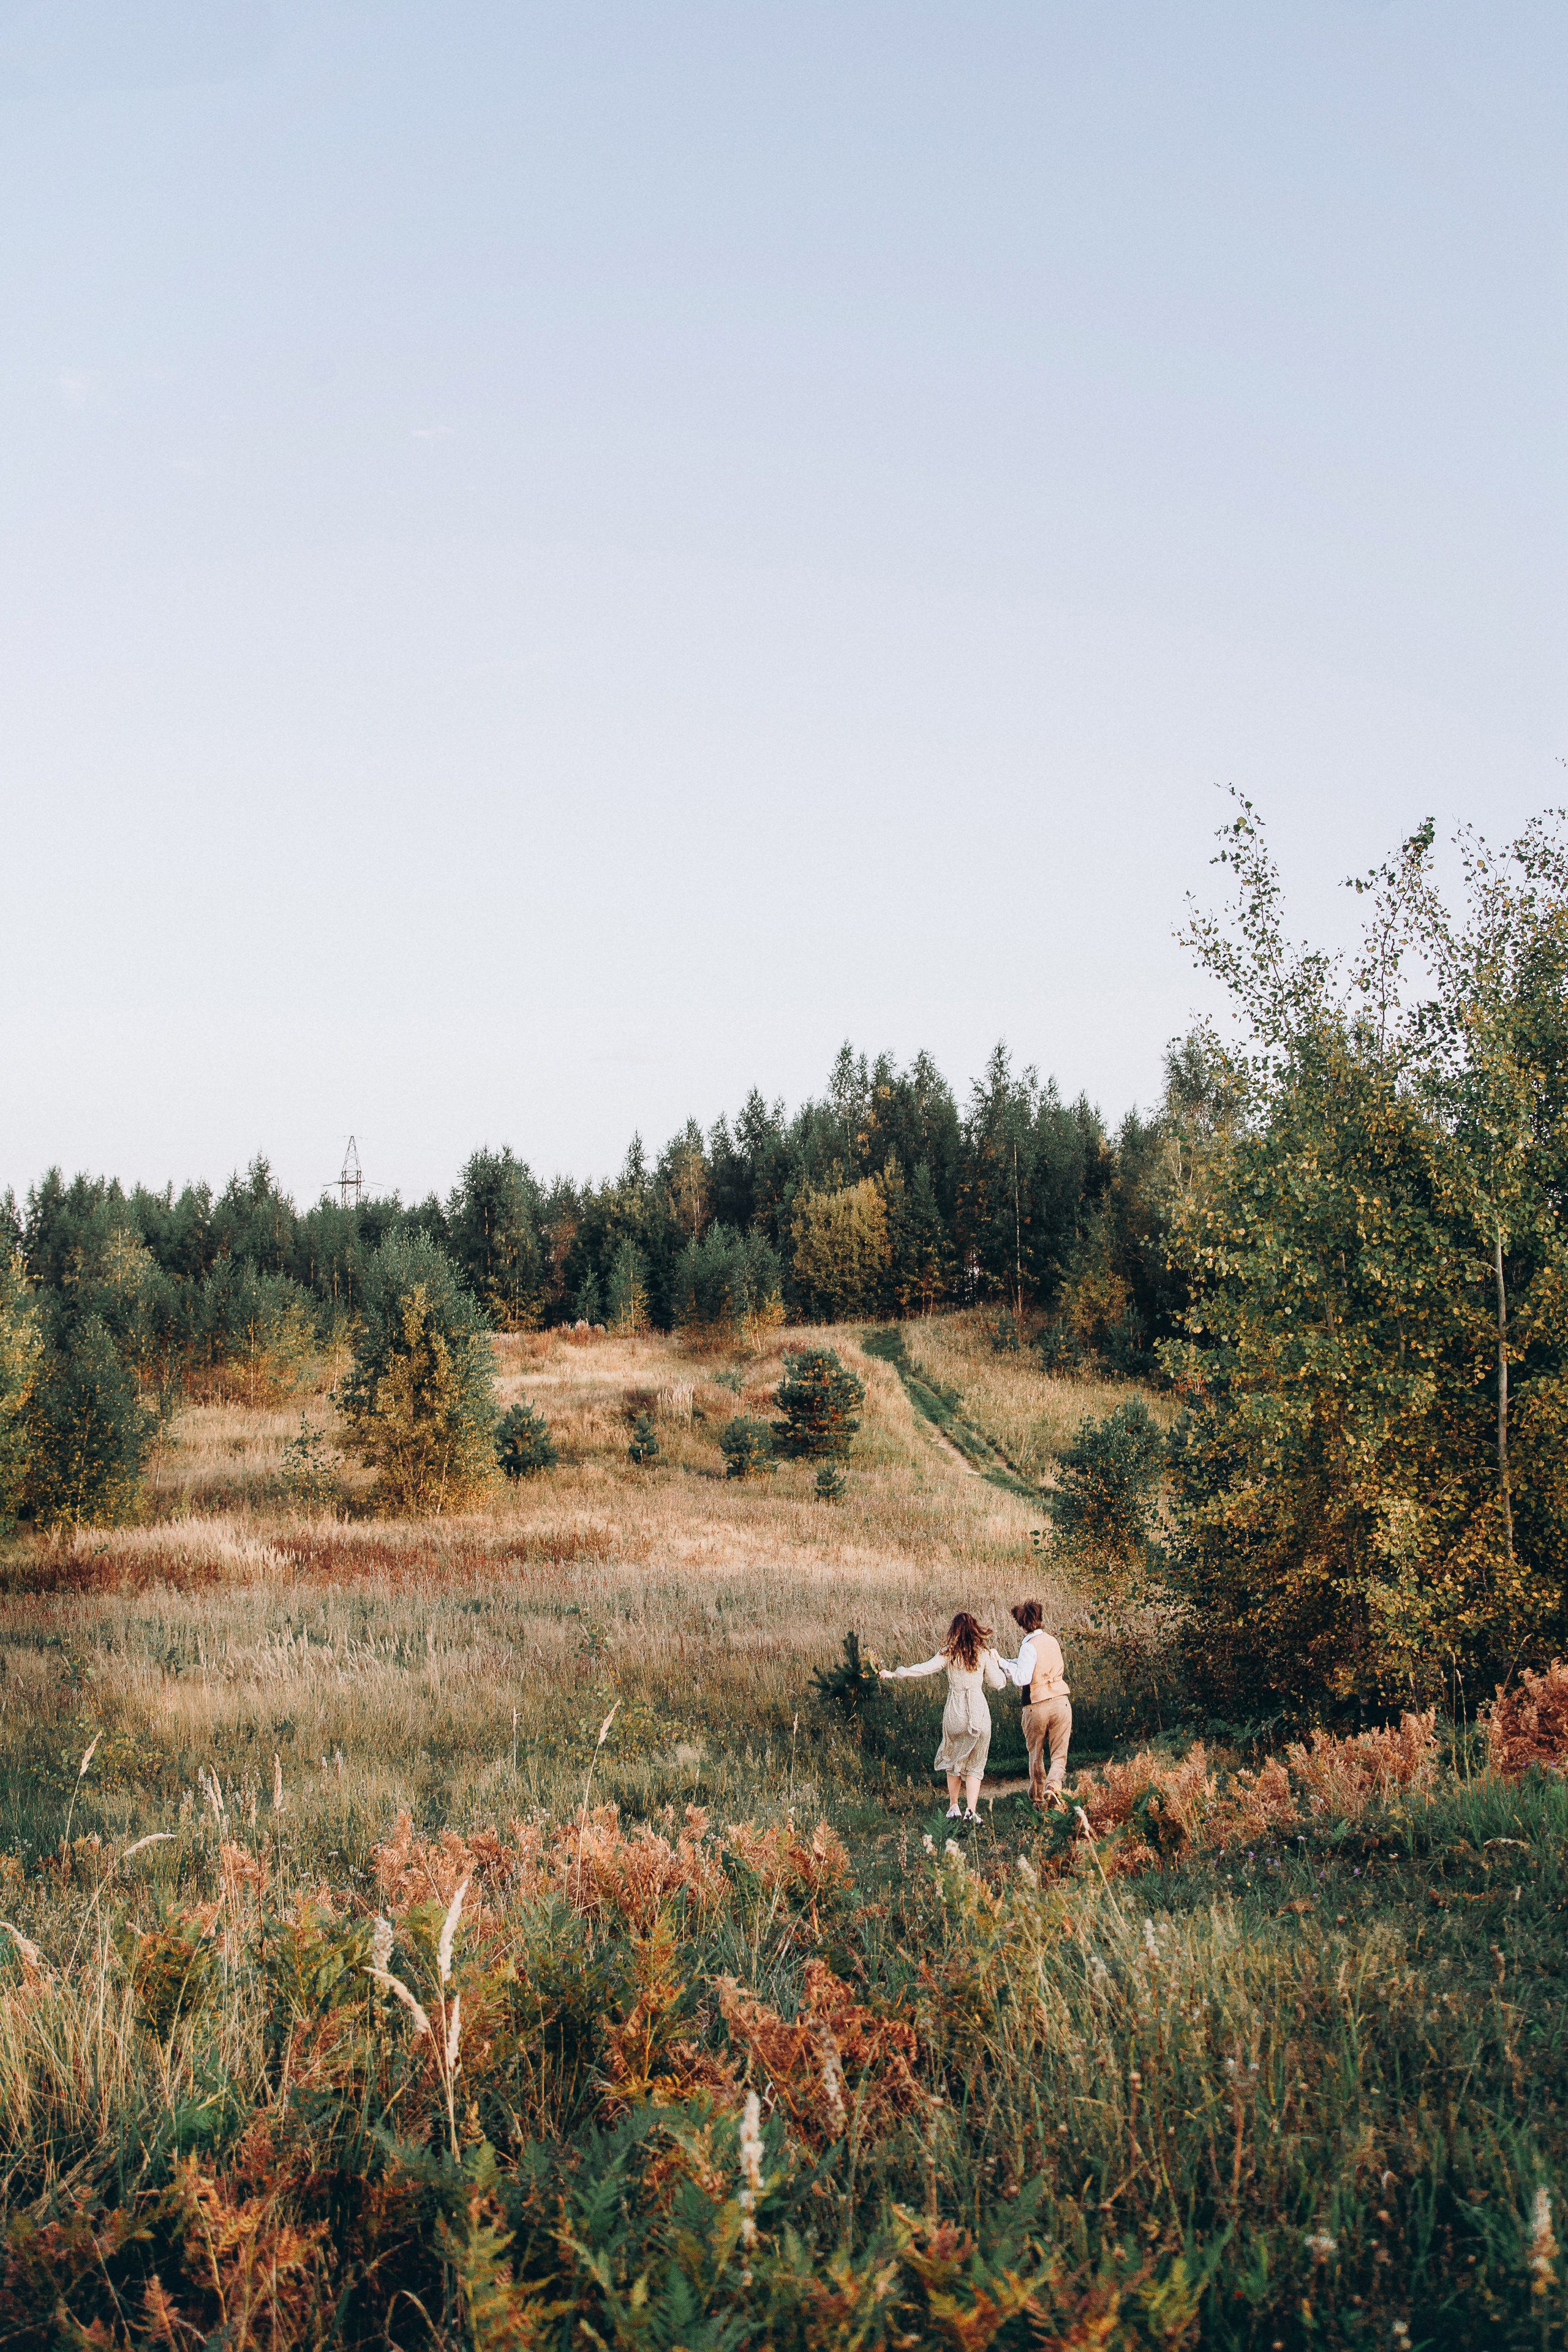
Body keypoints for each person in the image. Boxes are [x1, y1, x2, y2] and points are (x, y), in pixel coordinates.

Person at [880, 1612, 1006, 1823]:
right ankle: (971, 1811)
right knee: (976, 1764)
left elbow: (924, 1669)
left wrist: (896, 1673)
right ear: (975, 1630)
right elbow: (998, 1683)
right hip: (979, 1714)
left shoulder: (949, 1653)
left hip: (955, 1713)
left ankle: (953, 1805)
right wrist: (996, 1662)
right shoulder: (982, 1653)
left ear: (954, 1631)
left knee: (952, 1758)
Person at [998, 1599, 1071, 1806]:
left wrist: (1001, 1662)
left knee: (1036, 1754)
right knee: (1059, 1754)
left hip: (1037, 1705)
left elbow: (1023, 1678)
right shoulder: (1052, 1641)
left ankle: (1038, 1800)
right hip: (1061, 1701)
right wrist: (1009, 1662)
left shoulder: (1029, 1646)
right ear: (1040, 1618)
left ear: (1022, 1625)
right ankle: (1053, 1786)